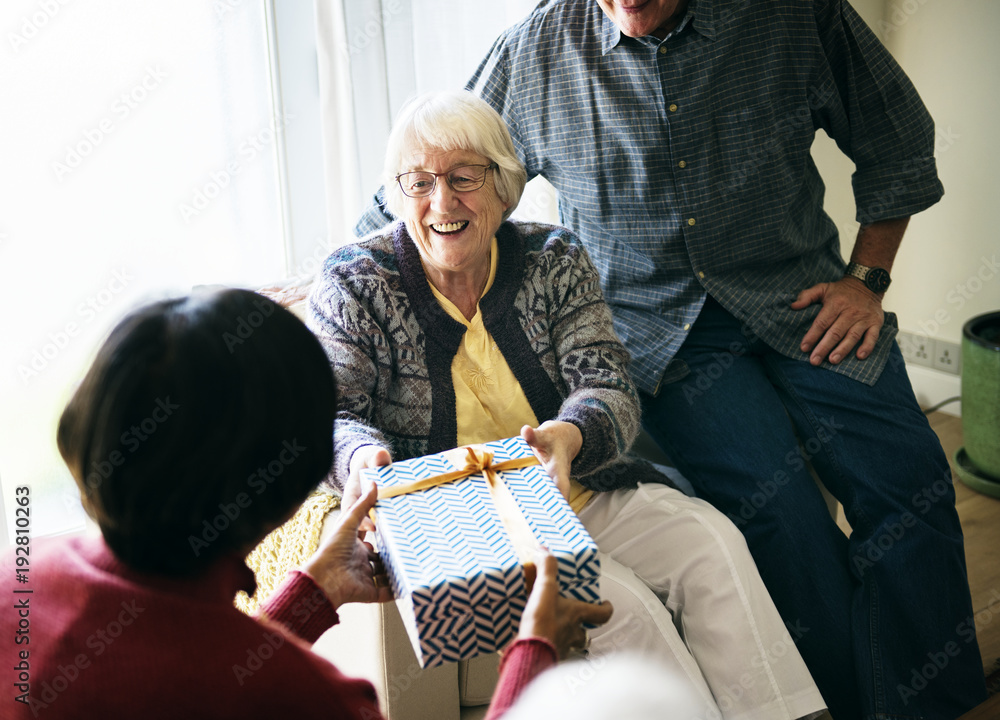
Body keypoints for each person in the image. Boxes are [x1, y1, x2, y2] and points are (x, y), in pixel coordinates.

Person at [352, 2, 988, 717]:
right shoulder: (536, 48)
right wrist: (343, 282)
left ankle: (929, 704)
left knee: (912, 477)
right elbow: (435, 176)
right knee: (778, 513)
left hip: (805, 297)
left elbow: (897, 140)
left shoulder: (794, 15)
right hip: (665, 335)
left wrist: (867, 281)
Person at [313, 90, 827, 720]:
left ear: (503, 188)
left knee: (710, 540)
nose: (441, 202)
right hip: (465, 528)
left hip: (575, 485)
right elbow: (332, 414)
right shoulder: (356, 280)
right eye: (418, 182)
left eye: (463, 179)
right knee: (624, 607)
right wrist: (363, 458)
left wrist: (571, 435)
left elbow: (607, 380)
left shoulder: (553, 257)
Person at [1, 289, 606, 719]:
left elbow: (187, 677)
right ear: (286, 487)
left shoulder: (20, 578)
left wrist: (313, 595)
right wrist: (535, 656)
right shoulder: (313, 700)